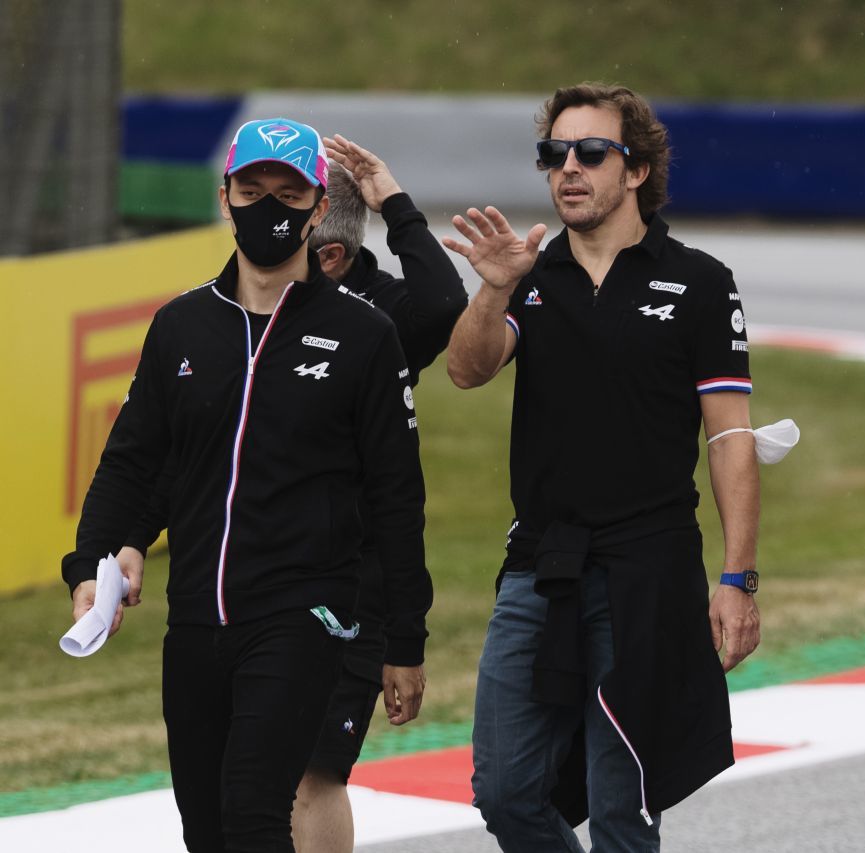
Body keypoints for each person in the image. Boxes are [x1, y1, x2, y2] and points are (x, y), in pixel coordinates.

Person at [62, 118, 433, 852]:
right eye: (252, 189)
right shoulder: (182, 325)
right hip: (196, 616)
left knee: (257, 811)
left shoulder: (362, 335)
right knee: (207, 829)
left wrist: (405, 638)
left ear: (316, 201)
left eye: (288, 193)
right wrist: (96, 558)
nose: (269, 207)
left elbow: (398, 497)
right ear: (225, 196)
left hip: (305, 614)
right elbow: (134, 459)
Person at [443, 83, 762, 851]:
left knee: (622, 813)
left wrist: (738, 576)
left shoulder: (699, 279)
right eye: (555, 154)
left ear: (638, 169)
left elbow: (729, 437)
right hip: (539, 565)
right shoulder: (532, 274)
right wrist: (493, 289)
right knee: (505, 790)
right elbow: (466, 368)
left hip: (647, 571)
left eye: (591, 152)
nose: (569, 168)